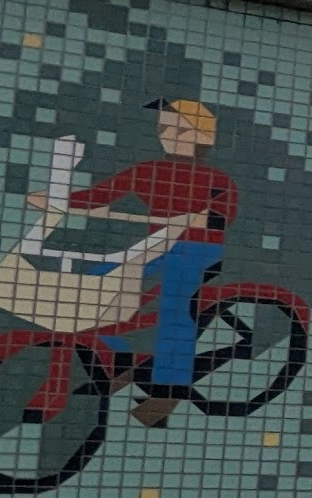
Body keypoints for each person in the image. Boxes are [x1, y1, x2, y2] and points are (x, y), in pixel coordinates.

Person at [30, 98, 237, 425]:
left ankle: (169, 390)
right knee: (92, 288)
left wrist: (197, 218)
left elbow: (220, 217)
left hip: (196, 249)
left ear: (204, 138)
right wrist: (56, 201)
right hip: (157, 245)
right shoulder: (147, 171)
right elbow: (97, 197)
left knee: (175, 306)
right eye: (164, 127)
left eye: (181, 128)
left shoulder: (217, 180)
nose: (169, 134)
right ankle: (124, 363)